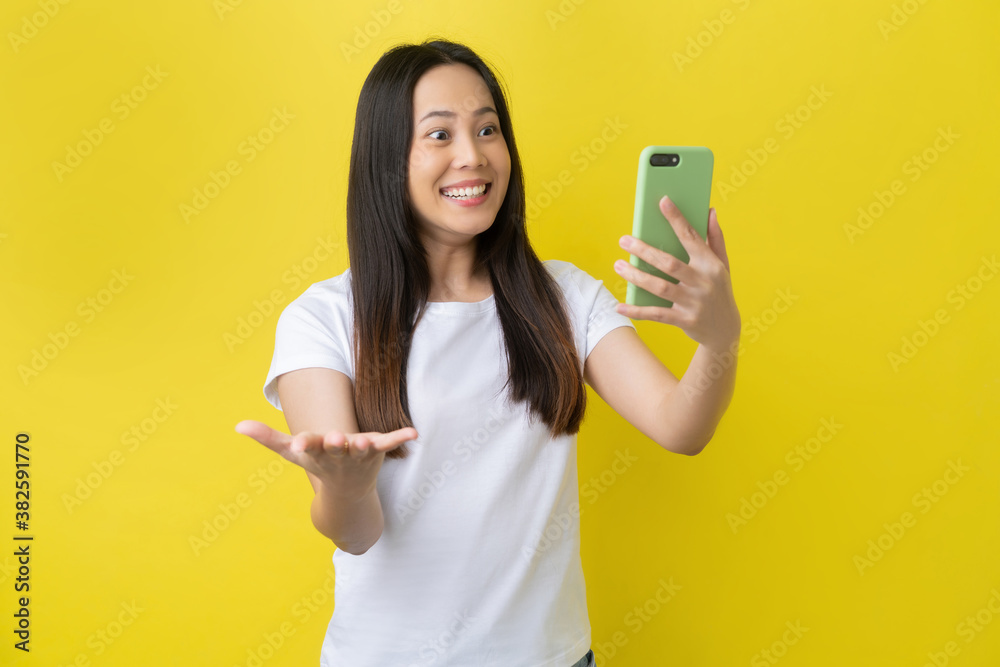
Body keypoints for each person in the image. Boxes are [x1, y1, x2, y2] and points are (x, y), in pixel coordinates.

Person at [235, 37, 740, 667]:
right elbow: (356, 533)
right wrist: (345, 487)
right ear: (387, 159)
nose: (472, 157)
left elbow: (681, 426)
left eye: (487, 129)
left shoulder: (564, 296)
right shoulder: (324, 319)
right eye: (439, 136)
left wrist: (720, 340)